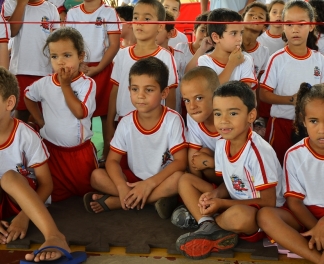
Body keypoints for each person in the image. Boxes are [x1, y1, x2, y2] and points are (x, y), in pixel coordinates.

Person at [175, 81, 284, 260]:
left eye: (233, 113)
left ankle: (208, 225)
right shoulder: (221, 144)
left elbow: (269, 202)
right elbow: (231, 181)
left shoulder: (258, 152)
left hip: (256, 212)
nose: (223, 120)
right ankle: (208, 225)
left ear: (251, 115)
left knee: (238, 216)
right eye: (218, 113)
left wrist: (222, 204)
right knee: (185, 180)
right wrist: (216, 194)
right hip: (232, 201)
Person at [258, 83, 324, 264]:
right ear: (303, 120)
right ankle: (318, 257)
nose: (322, 130)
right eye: (314, 121)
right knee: (265, 216)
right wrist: (317, 228)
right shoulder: (294, 154)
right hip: (303, 218)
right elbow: (294, 202)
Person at [0, 67, 86, 263]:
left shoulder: (25, 136)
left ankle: (54, 235)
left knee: (9, 177)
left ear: (10, 103)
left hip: (25, 201)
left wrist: (24, 216)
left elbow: (47, 184)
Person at [86, 57, 187, 220]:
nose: (140, 96)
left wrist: (149, 184)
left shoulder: (172, 120)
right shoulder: (126, 122)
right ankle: (150, 199)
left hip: (161, 180)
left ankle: (119, 202)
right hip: (132, 180)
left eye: (148, 90)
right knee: (96, 176)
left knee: (180, 180)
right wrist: (121, 187)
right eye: (135, 89)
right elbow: (112, 161)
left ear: (164, 92)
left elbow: (181, 162)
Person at [24, 27, 97, 202]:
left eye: (67, 55)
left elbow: (80, 113)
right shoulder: (44, 83)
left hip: (79, 154)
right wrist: (40, 120)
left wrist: (65, 85)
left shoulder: (87, 84)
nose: (60, 62)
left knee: (87, 192)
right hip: (53, 153)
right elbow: (28, 95)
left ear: (80, 56)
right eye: (54, 56)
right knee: (55, 197)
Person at [104, 0, 178, 159]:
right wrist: (110, 123)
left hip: (154, 123)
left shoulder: (165, 57)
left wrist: (169, 125)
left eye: (147, 18)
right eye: (136, 17)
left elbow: (170, 94)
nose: (139, 23)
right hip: (123, 120)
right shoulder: (122, 55)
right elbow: (115, 91)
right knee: (121, 163)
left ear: (160, 26)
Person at [259, 0, 324, 165]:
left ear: (311, 26)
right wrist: (291, 100)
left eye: (301, 24)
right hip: (281, 124)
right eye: (289, 24)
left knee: (307, 167)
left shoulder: (319, 59)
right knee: (279, 166)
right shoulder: (277, 59)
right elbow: (263, 94)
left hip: (311, 126)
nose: (295, 29)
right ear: (283, 26)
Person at [65, 0, 121, 161]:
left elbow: (114, 45)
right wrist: (77, 65)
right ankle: (85, 155)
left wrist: (99, 68)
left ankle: (108, 155)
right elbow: (69, 44)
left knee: (106, 115)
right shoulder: (73, 13)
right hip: (78, 69)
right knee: (83, 114)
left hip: (103, 68)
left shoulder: (109, 12)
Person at [1, 0, 59, 122]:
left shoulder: (51, 8)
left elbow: (56, 41)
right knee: (20, 114)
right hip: (21, 69)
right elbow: (11, 31)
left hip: (45, 71)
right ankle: (19, 140)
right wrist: (21, 4)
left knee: (43, 116)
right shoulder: (10, 4)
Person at [198, 8, 258, 90]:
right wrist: (231, 64)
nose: (239, 38)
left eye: (241, 33)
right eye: (233, 33)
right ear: (216, 37)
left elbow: (246, 95)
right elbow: (211, 90)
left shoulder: (246, 59)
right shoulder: (204, 61)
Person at [241, 1, 270, 135]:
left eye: (260, 16)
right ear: (243, 19)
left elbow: (258, 83)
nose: (255, 17)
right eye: (251, 14)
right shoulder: (229, 42)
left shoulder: (264, 52)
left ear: (265, 26)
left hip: (247, 105)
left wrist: (256, 110)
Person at [156, 11, 185, 113]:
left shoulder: (180, 56)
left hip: (175, 110)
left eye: (159, 29)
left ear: (170, 33)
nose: (153, 32)